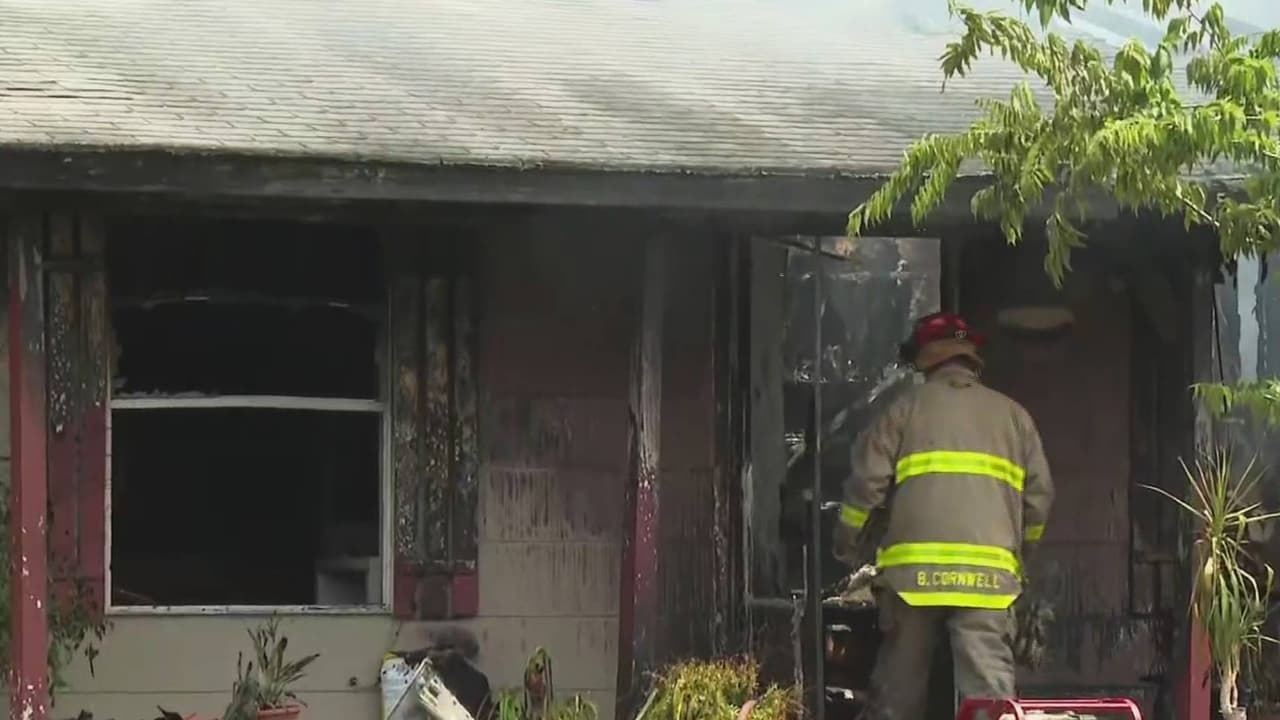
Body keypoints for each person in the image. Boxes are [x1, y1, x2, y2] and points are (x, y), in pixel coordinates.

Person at [834, 311, 1054, 720]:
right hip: (988, 584)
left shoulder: (902, 412)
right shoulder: (1014, 418)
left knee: (897, 699)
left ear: (925, 357)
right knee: (990, 700)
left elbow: (865, 486)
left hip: (912, 583)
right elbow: (1038, 501)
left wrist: (846, 548)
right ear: (971, 356)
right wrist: (1021, 557)